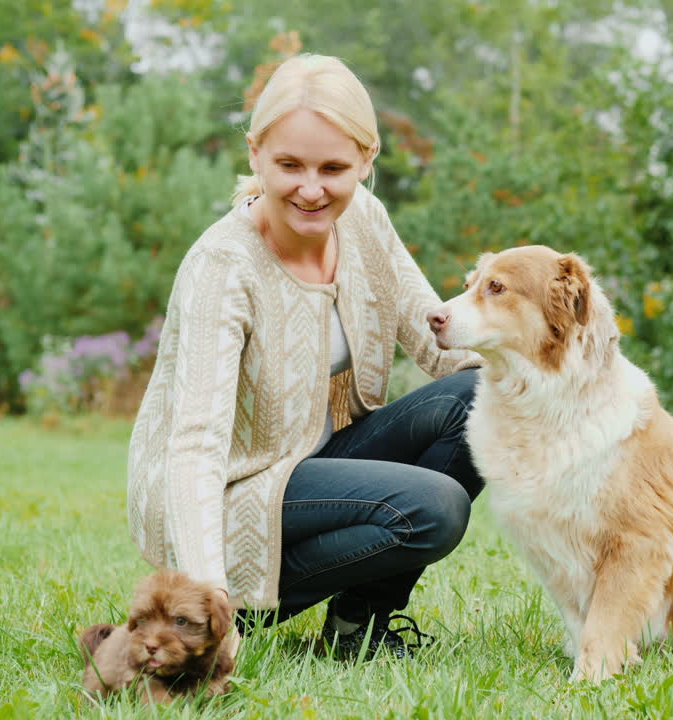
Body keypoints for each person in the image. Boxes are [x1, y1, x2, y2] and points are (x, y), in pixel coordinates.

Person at [127, 53, 483, 659]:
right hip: (234, 490)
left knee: (482, 396)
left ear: (367, 160)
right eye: (289, 164)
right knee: (435, 506)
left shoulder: (365, 219)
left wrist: (563, 380)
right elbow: (194, 446)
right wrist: (204, 596)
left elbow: (439, 345)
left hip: (315, 463)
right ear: (254, 155)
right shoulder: (224, 269)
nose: (311, 189)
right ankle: (244, 601)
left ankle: (356, 631)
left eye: (333, 167)